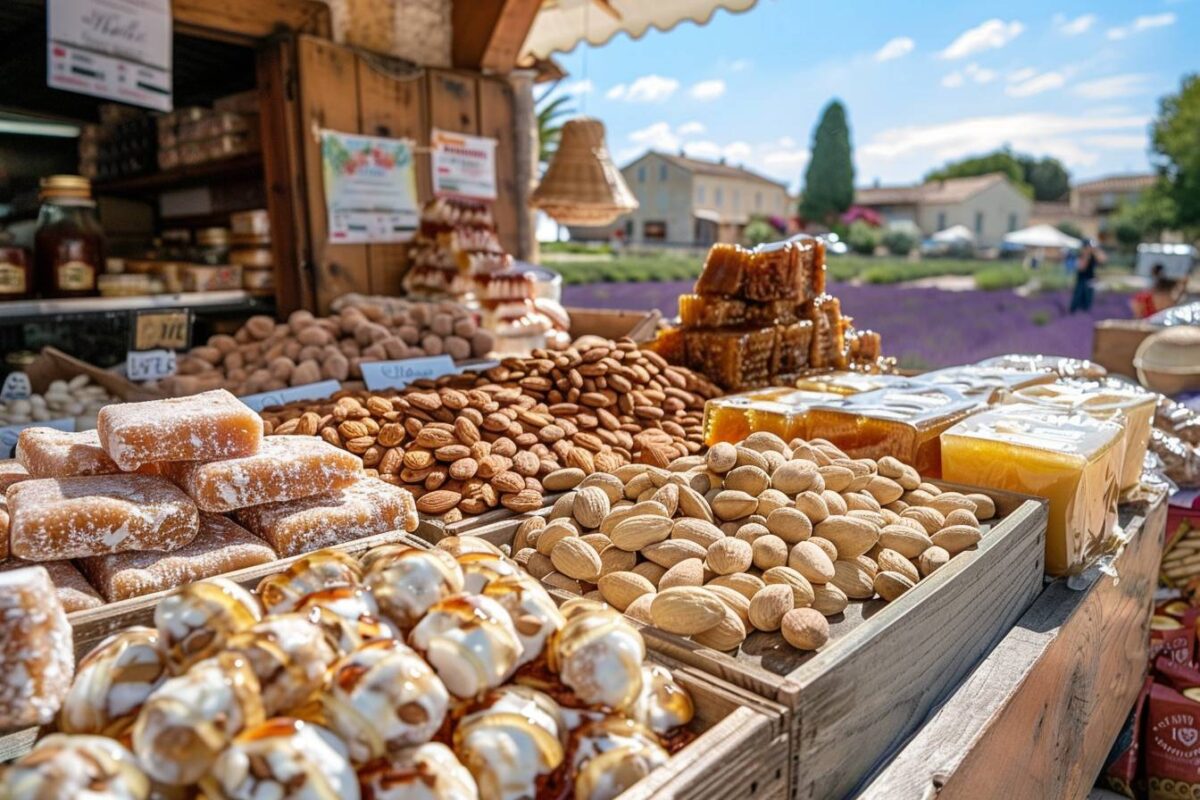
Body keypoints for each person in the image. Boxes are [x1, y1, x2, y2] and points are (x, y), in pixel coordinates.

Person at [1070, 238, 1105, 313]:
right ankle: (1074, 313)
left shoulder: (1094, 255)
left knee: (1088, 299)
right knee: (1078, 298)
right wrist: (1086, 255)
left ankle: (1085, 314)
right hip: (1081, 280)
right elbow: (1081, 268)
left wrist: (1096, 251)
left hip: (1091, 280)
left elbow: (1102, 260)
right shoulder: (1081, 255)